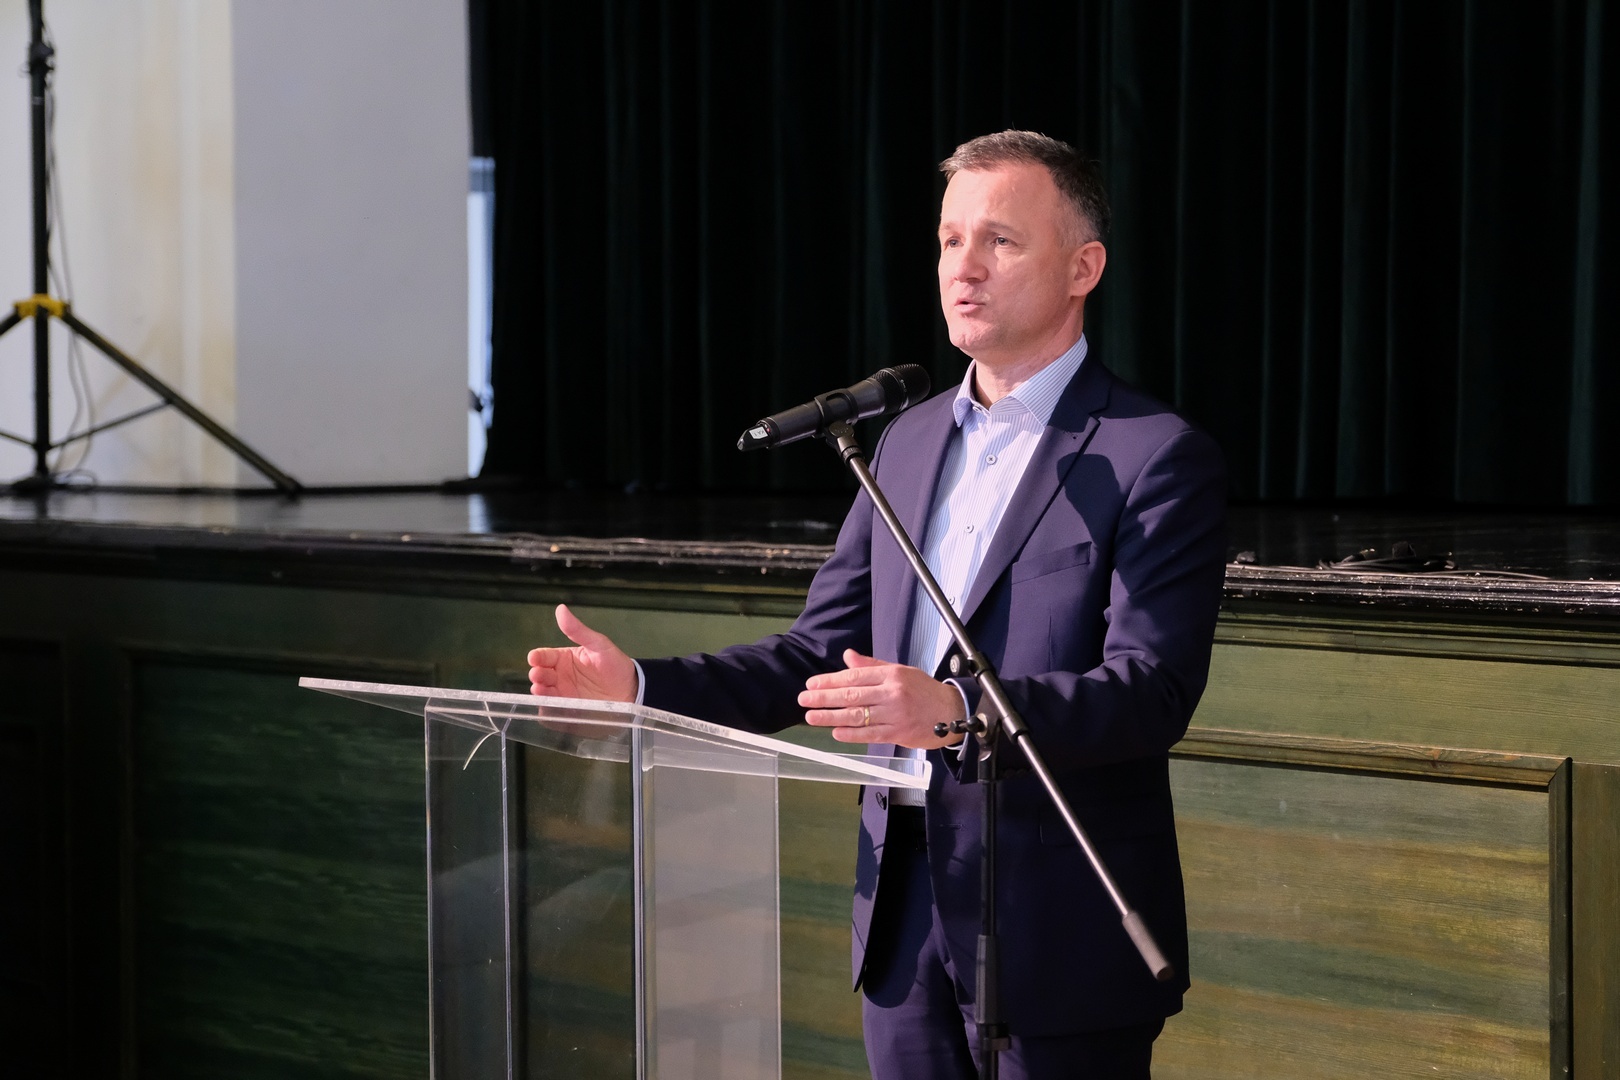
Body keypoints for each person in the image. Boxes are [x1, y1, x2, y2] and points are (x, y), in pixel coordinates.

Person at [527, 130, 1227, 1080]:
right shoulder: (905, 442)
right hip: (902, 917)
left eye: (1000, 241)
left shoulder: (1152, 454)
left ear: (1083, 269)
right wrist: (643, 689)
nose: (963, 268)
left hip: (1057, 925)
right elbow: (816, 652)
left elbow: (1150, 691)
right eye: (949, 240)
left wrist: (956, 714)